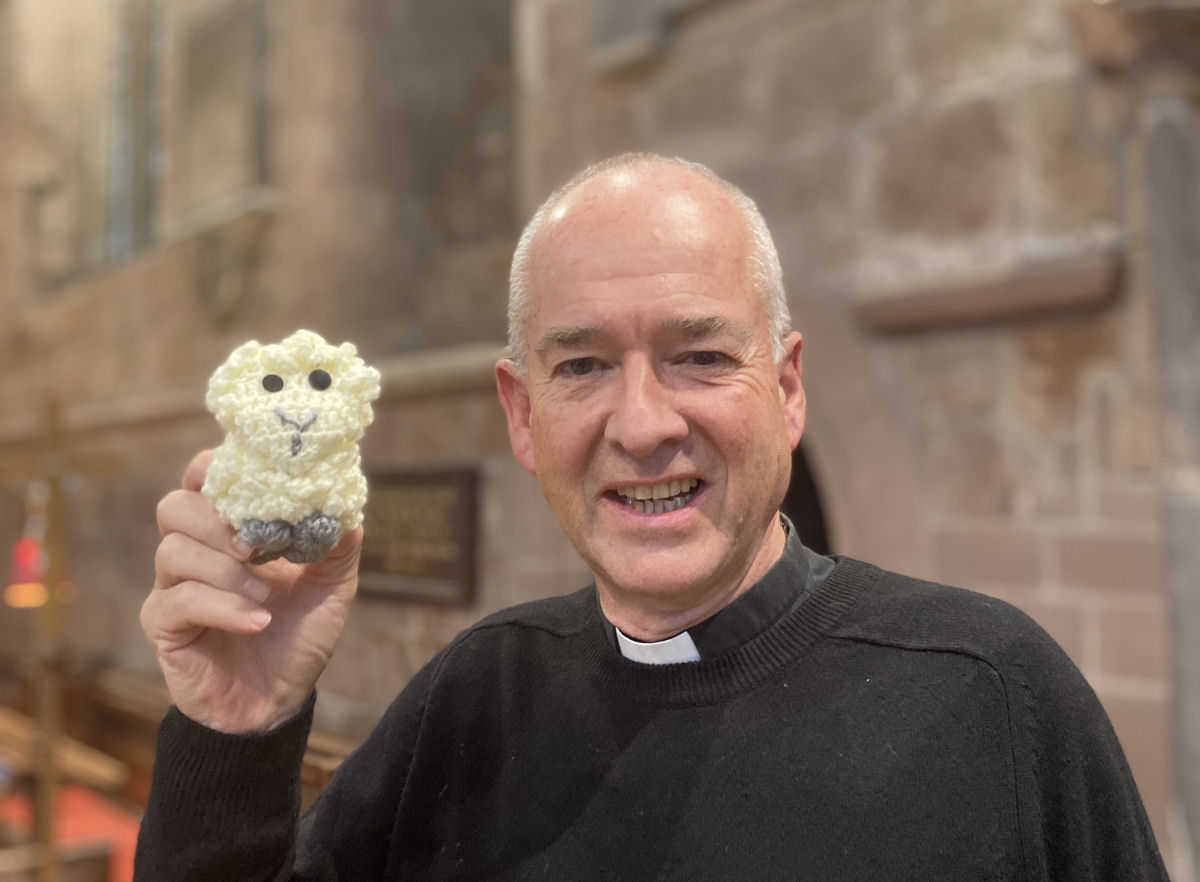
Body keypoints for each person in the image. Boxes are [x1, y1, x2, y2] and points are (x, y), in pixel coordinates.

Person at [135, 153, 1168, 880]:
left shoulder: (992, 695)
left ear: (789, 388)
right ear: (522, 412)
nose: (642, 423)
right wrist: (234, 728)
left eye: (701, 356)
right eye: (582, 366)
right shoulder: (472, 702)